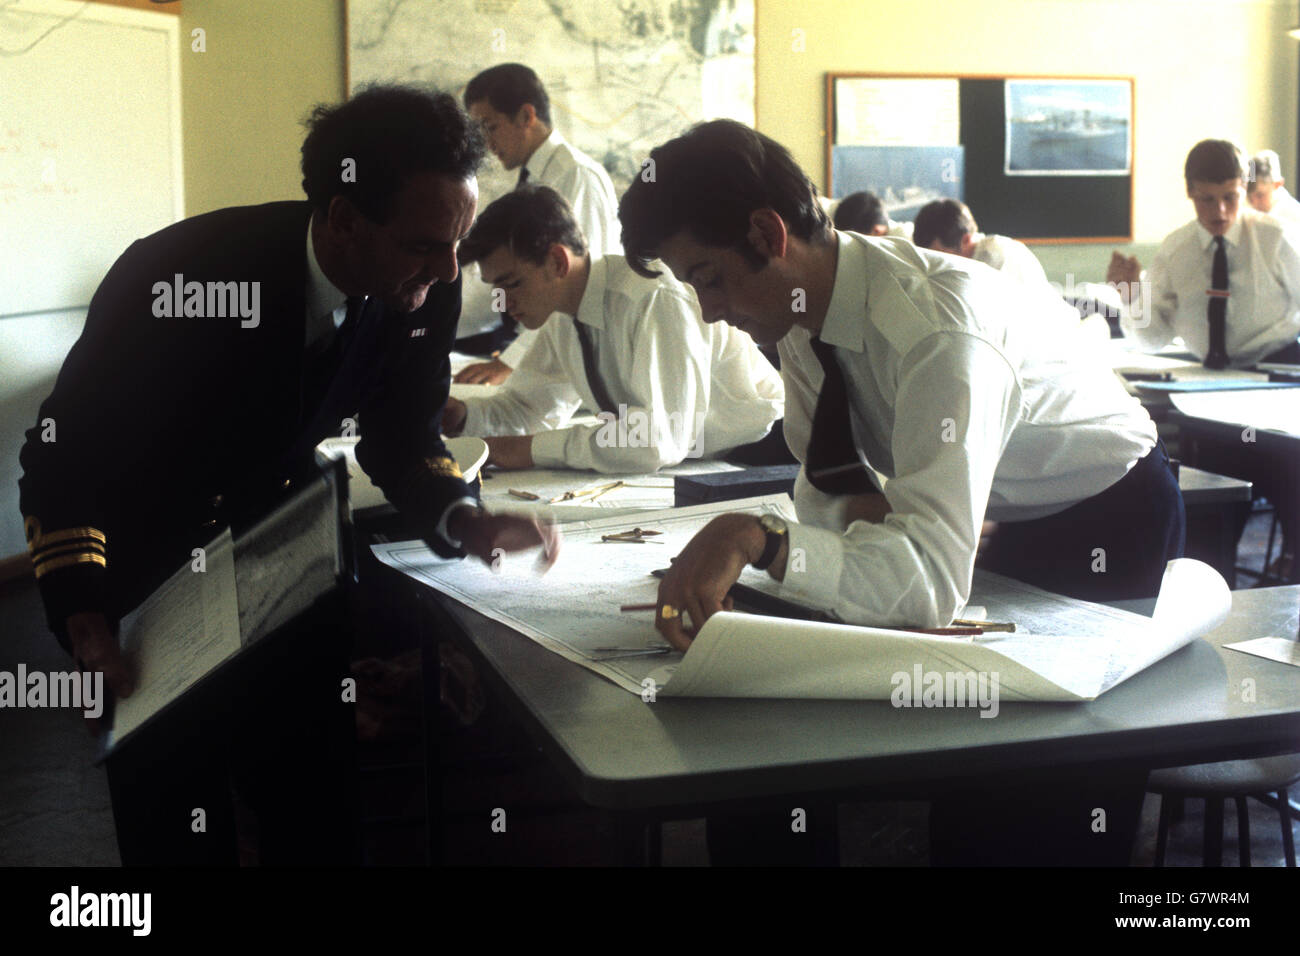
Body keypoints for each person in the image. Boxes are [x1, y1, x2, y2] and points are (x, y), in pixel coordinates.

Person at [18, 85, 558, 865]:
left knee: (318, 813)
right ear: (343, 218)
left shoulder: (425, 280)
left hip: (287, 565)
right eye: (422, 247)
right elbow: (62, 459)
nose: (448, 274)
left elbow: (402, 436)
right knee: (174, 828)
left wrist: (464, 518)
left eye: (459, 242)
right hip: (153, 594)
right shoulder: (175, 280)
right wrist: (84, 620)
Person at [618, 119, 1180, 865]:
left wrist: (764, 539)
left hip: (1108, 519)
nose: (710, 311)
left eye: (709, 277)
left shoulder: (936, 328)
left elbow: (924, 586)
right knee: (950, 775)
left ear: (766, 232)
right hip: (1002, 514)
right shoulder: (802, 324)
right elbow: (834, 506)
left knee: (1032, 802)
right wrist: (773, 578)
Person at [442, 185, 784, 472]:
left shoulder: (652, 297)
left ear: (558, 262)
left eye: (511, 284)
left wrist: (531, 449)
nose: (502, 303)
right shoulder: (561, 313)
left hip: (754, 460)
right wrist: (464, 418)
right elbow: (530, 410)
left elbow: (658, 438)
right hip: (685, 465)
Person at [455, 63, 621, 385]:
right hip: (534, 346)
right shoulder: (535, 178)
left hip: (566, 358)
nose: (487, 144)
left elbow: (574, 284)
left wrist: (511, 363)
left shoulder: (576, 176)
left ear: (526, 116)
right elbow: (499, 284)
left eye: (490, 127)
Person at [1108, 139, 1300, 368]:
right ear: (1190, 191)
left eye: (1230, 197)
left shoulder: (1276, 238)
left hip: (1279, 365)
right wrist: (1132, 297)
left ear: (1244, 189)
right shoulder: (1175, 251)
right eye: (1207, 199)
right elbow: (1152, 342)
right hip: (1209, 374)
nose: (1219, 210)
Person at [913, 197, 1050, 288]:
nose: (932, 265)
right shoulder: (973, 252)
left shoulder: (995, 262)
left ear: (966, 240)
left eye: (938, 258)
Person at [1247, 149, 1300, 226]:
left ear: (1277, 185)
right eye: (1249, 197)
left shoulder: (1294, 217)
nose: (1254, 204)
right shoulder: (1243, 207)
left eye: (1260, 196)